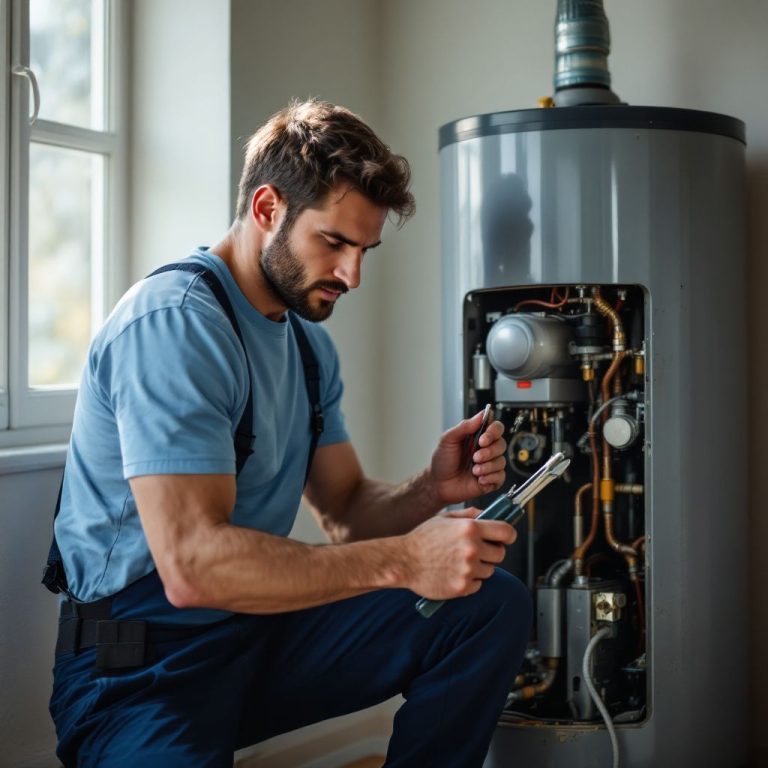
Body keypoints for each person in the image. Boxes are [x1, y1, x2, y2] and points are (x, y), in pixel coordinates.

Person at [47, 99, 532, 768]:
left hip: (250, 638)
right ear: (268, 208)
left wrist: (431, 490)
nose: (351, 274)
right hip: (136, 669)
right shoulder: (175, 325)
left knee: (486, 605)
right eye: (334, 242)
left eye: (364, 249)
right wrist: (407, 560)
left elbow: (347, 512)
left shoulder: (305, 344)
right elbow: (194, 568)